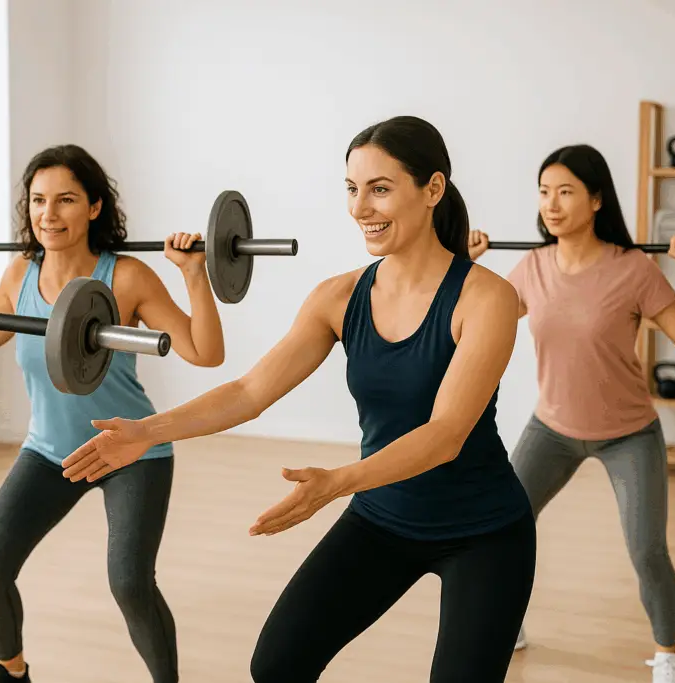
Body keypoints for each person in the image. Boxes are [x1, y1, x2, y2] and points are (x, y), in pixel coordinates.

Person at [61, 116, 537, 683]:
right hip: (383, 518)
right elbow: (250, 390)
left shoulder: (487, 298)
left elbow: (446, 433)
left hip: (482, 531)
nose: (360, 207)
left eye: (380, 188)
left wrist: (338, 482)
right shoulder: (338, 297)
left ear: (432, 189)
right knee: (278, 665)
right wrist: (147, 431)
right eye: (352, 189)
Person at [0, 143, 226, 683]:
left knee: (129, 583)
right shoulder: (19, 275)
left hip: (131, 449)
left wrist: (195, 274)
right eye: (38, 201)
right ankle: (13, 673)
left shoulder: (126, 277)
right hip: (50, 451)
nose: (49, 215)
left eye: (66, 200)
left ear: (95, 207)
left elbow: (204, 353)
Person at [466, 143, 675, 683]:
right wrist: (467, 266)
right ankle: (511, 622)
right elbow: (472, 323)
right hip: (551, 427)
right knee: (500, 529)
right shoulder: (531, 268)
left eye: (566, 192)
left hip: (629, 434)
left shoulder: (634, 270)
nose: (551, 205)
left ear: (597, 199)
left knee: (647, 550)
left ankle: (667, 654)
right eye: (545, 192)